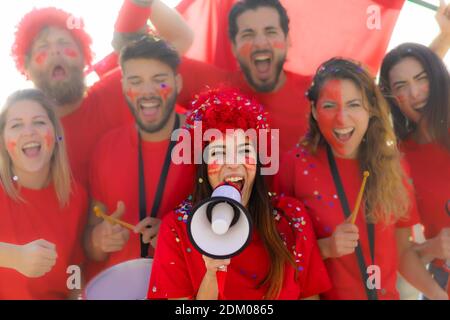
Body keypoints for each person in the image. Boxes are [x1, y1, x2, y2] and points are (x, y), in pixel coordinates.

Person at [275, 58, 448, 300]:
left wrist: (438, 295)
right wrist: (326, 248)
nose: (342, 119)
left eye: (354, 104)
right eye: (329, 106)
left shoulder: (394, 164)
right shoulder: (291, 165)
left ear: (370, 109)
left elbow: (402, 251)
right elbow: (275, 254)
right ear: (314, 111)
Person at [148, 87, 331, 300]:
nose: (234, 164)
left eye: (245, 150)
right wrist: (211, 275)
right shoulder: (177, 228)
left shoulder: (292, 218)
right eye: (219, 153)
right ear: (203, 166)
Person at [10, 1, 193, 187]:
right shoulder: (24, 139)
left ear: (85, 57)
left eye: (64, 43)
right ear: (26, 66)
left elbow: (181, 38)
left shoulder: (122, 88)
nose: (55, 51)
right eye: (43, 47)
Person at [83, 36, 195, 280]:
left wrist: (176, 232)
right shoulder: (106, 148)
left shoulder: (206, 140)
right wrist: (100, 239)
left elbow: (236, 226)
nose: (147, 92)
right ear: (124, 86)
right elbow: (92, 247)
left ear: (177, 83)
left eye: (159, 80)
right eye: (136, 81)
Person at [0, 89, 87, 299]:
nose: (28, 132)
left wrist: (77, 296)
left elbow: (74, 268)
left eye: (39, 122)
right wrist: (15, 257)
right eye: (16, 125)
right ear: (3, 140)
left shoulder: (76, 196)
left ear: (56, 134)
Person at [380, 43, 450, 296]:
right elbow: (401, 253)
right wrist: (433, 248)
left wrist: (444, 33)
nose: (415, 93)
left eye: (422, 79)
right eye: (401, 86)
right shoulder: (399, 159)